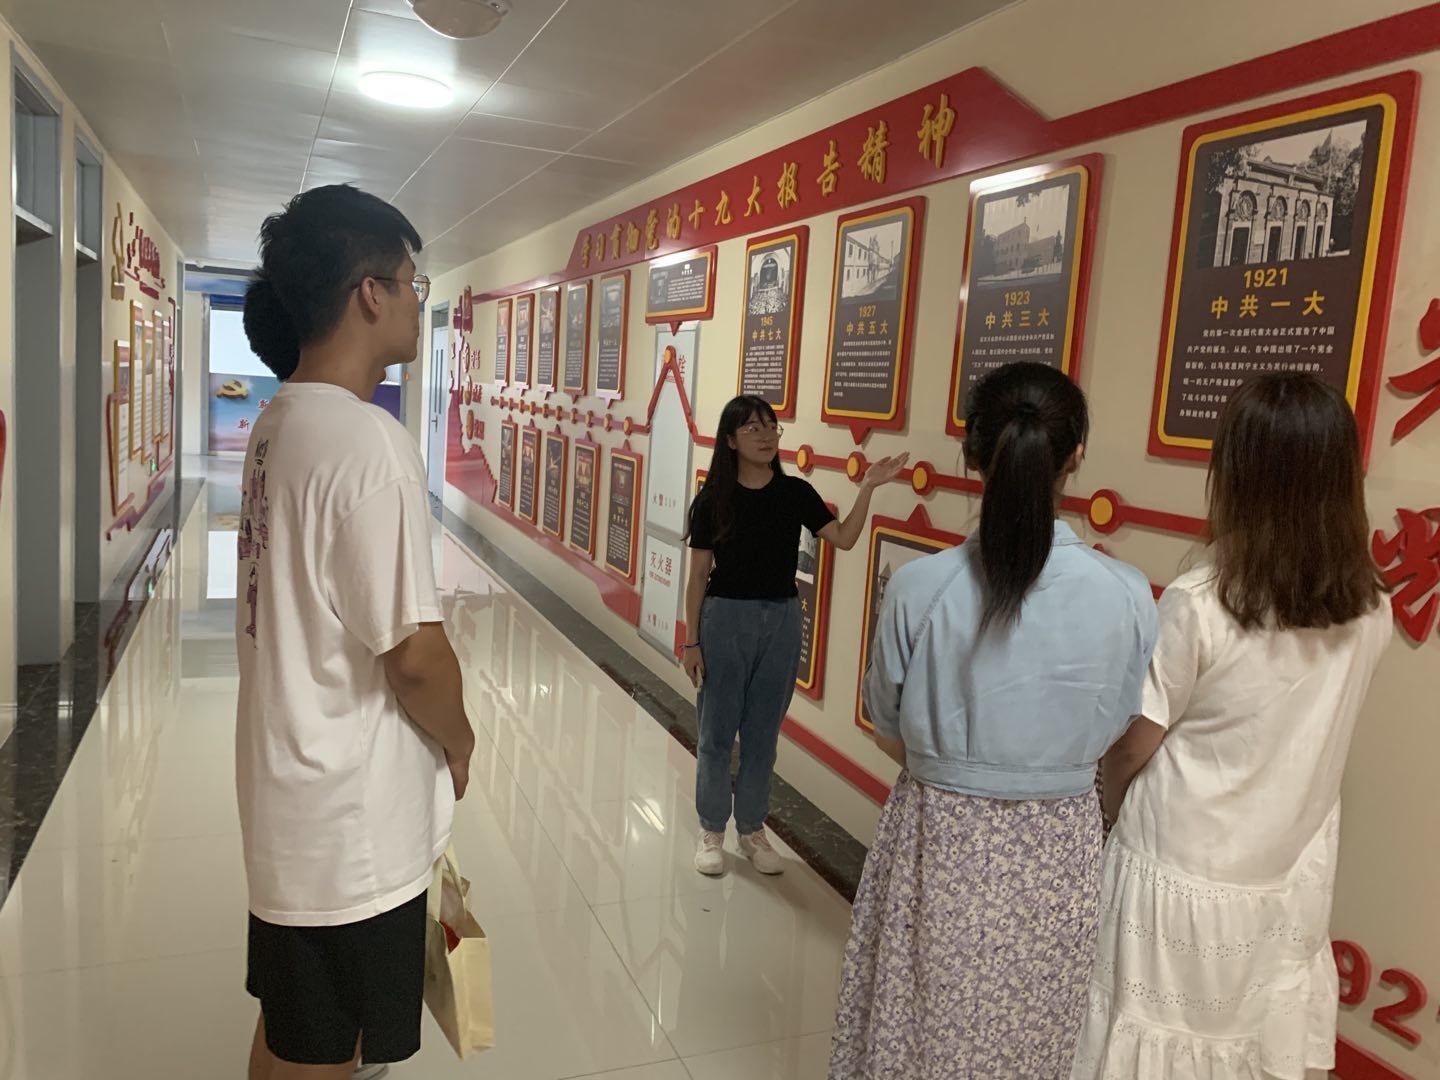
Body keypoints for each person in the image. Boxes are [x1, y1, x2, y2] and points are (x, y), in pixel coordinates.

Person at [829, 362, 1157, 1078]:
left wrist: (954, 770)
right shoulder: (1128, 594)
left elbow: (887, 723)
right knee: (1035, 1034)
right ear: (1075, 456)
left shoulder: (919, 587)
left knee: (921, 1029)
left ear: (972, 455)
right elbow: (1123, 721)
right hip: (1061, 846)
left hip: (938, 837)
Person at [1072, 374, 1392, 1080]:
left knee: (1153, 1045)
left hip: (1176, 869)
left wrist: (1104, 816)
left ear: (1239, 475)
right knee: (1245, 1049)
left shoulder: (1201, 603)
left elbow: (1131, 748)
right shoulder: (1372, 606)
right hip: (1286, 871)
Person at [237, 184, 476, 1080]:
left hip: (291, 793)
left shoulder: (280, 423)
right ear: (370, 293)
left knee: (295, 1029)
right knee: (327, 1050)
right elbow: (413, 656)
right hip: (349, 824)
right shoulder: (367, 442)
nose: (418, 302)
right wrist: (460, 741)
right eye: (413, 283)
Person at [684, 395, 906, 876]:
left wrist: (868, 487)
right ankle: (712, 829)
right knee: (716, 732)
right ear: (730, 441)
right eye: (753, 428)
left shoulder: (796, 493)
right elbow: (699, 574)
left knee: (763, 734)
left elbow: (844, 537)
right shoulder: (713, 499)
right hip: (725, 619)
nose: (766, 436)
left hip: (781, 620)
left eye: (771, 427)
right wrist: (692, 641)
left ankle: (751, 830)